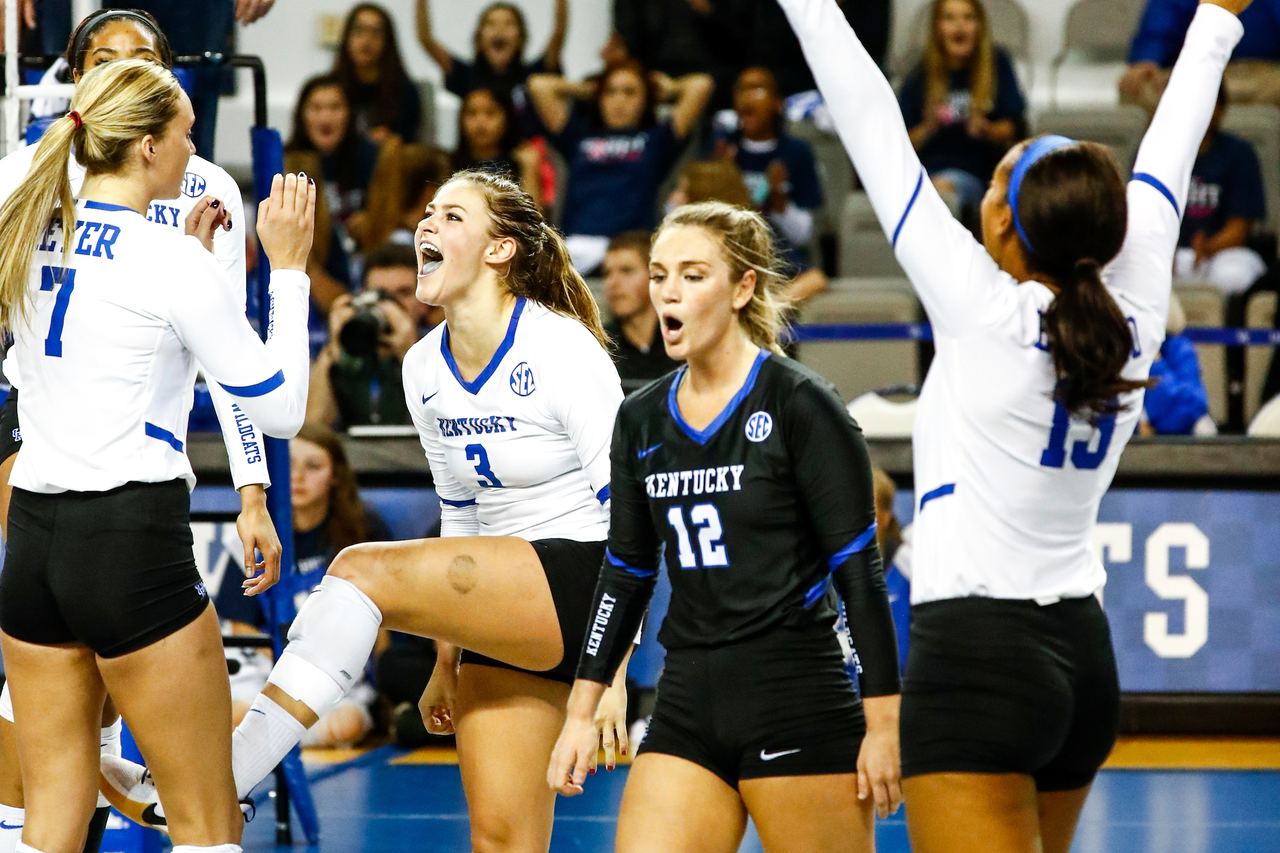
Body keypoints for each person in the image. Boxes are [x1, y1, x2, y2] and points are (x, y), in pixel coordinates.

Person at [776, 1, 1248, 852]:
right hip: (1083, 658)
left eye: (995, 181)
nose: (982, 194)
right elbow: (1167, 158)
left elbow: (873, 124)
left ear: (1003, 225)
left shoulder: (984, 307)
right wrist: (1215, 20)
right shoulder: (1133, 312)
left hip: (977, 657)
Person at [105, 169, 636, 853]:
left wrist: (611, 679)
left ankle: (220, 773)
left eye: (451, 217)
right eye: (426, 212)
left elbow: (632, 525)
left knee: (361, 569)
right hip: (506, 607)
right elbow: (461, 518)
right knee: (502, 837)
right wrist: (447, 658)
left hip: (584, 586)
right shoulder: (423, 367)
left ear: (500, 250)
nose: (427, 226)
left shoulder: (562, 348)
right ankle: (215, 778)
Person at [0, 52, 313, 853]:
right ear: (145, 146)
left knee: (50, 824)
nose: (192, 153)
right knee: (208, 824)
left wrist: (191, 263)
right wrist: (287, 272)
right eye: (185, 134)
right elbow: (280, 408)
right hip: (129, 541)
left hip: (32, 542)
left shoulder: (33, 228)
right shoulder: (169, 261)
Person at [546, 201, 902, 852]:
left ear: (742, 289)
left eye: (692, 274)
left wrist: (884, 726)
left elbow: (861, 577)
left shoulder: (801, 403)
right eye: (659, 275)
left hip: (796, 693)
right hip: (686, 699)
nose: (668, 292)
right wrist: (582, 707)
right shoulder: (641, 417)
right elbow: (625, 574)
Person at [218, 424, 391, 747]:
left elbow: (384, 630)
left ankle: (269, 744)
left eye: (313, 467)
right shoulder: (249, 537)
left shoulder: (364, 534)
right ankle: (281, 740)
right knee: (234, 714)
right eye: (288, 466)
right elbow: (243, 629)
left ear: (335, 475)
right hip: (266, 674)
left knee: (347, 724)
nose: (297, 477)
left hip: (340, 677)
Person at [529, 60, 714, 273]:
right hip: (579, 246)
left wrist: (667, 89)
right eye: (611, 92)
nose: (619, 101)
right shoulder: (578, 137)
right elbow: (538, 85)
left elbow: (701, 85)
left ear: (645, 100)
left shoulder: (657, 140)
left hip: (632, 247)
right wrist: (587, 90)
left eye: (630, 92)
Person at [899, 0, 1027, 224]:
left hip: (980, 176)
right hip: (929, 173)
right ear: (938, 27)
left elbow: (1015, 129)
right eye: (950, 18)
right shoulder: (920, 73)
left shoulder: (997, 63)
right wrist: (928, 128)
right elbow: (900, 142)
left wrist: (985, 129)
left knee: (943, 192)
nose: (959, 27)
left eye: (968, 18)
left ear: (980, 25)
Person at [284, 75, 396, 311]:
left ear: (350, 115)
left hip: (369, 269)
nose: (325, 117)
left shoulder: (374, 159)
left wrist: (373, 221)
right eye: (316, 108)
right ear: (301, 115)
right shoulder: (284, 164)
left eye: (335, 107)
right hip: (312, 279)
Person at [307, 242, 440, 429]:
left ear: (425, 301)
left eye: (404, 293)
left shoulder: (444, 350)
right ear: (362, 296)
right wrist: (335, 347)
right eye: (379, 294)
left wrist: (408, 351)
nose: (390, 303)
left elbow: (446, 428)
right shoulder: (345, 353)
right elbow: (312, 431)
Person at [721, 66, 823, 271]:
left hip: (780, 258)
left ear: (778, 103)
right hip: (727, 256)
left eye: (757, 90)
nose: (747, 98)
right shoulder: (722, 150)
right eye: (741, 90)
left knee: (814, 279)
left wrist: (779, 195)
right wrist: (719, 178)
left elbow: (804, 235)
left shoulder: (796, 152)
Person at [1174, 84, 1268, 294]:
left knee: (1234, 276)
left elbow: (1239, 230)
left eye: (1207, 102)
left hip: (1222, 254)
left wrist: (1207, 247)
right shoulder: (1166, 152)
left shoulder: (1240, 154)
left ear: (1222, 108)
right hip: (1177, 255)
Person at [1120, 0, 1280, 112]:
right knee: (1136, 85)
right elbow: (1159, 27)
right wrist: (1148, 59)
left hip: (1266, 77)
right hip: (1195, 74)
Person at [416, 0, 567, 116]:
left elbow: (559, 33)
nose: (499, 30)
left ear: (521, 38)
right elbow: (426, 39)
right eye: (490, 24)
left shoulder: (533, 75)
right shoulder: (467, 74)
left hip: (525, 153)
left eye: (509, 24)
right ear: (479, 39)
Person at [601, 231, 680, 394]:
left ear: (657, 277)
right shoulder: (598, 345)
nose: (613, 283)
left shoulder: (685, 340)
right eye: (607, 273)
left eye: (626, 271)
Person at [334, 3, 423, 145]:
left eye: (375, 32)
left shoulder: (404, 90)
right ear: (346, 37)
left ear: (387, 41)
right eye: (359, 30)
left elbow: (409, 143)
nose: (366, 40)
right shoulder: (331, 86)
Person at [453, 87, 543, 207]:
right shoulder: (447, 165)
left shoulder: (521, 163)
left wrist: (529, 170)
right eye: (471, 113)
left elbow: (534, 220)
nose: (480, 122)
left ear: (507, 119)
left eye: (490, 113)